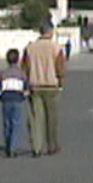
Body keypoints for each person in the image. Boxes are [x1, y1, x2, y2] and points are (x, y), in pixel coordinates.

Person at [22, 21, 66, 157]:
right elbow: (60, 67)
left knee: (36, 119)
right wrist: (61, 82)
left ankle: (37, 147)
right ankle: (52, 145)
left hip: (35, 85)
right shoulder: (56, 48)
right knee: (52, 118)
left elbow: (25, 67)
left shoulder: (30, 48)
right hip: (52, 86)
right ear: (50, 32)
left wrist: (26, 83)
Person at [0, 48, 29, 158]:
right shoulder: (21, 74)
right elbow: (26, 89)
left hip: (6, 100)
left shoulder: (3, 74)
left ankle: (8, 145)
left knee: (7, 123)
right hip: (17, 100)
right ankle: (12, 147)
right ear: (18, 59)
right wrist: (23, 97)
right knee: (16, 124)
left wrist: (1, 98)